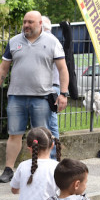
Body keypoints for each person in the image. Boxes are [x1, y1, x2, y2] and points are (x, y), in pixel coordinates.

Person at [0, 11, 69, 184]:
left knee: (42, 136)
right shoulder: (14, 42)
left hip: (42, 97)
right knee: (14, 134)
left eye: (30, 22)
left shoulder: (52, 42)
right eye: (25, 22)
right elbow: (3, 69)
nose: (26, 25)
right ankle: (9, 169)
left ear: (40, 23)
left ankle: (42, 170)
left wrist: (63, 93)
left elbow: (63, 69)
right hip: (16, 97)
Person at [42, 16, 60, 159]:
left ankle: (51, 157)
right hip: (54, 87)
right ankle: (54, 156)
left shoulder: (48, 41)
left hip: (49, 87)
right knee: (52, 122)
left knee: (50, 124)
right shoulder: (56, 40)